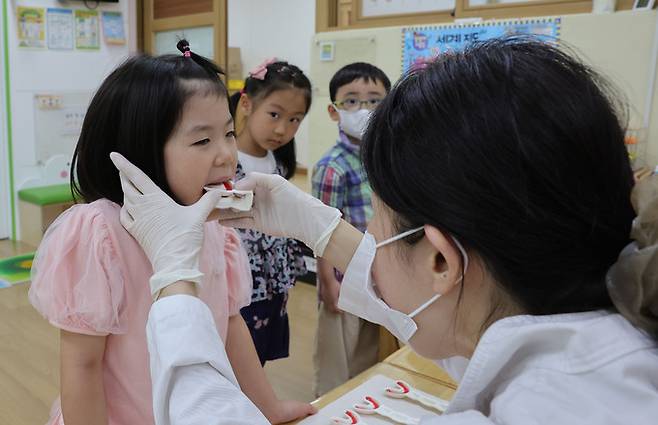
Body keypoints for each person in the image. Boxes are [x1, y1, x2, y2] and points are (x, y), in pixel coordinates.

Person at [113, 38, 658, 424]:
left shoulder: (554, 407)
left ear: (441, 260)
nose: (367, 233)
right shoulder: (599, 341)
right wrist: (318, 226)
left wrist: (176, 283)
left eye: (376, 219)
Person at [29, 41, 313, 425]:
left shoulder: (214, 226)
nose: (227, 155)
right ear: (138, 151)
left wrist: (269, 408)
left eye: (228, 134)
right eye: (202, 140)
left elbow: (230, 327)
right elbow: (82, 366)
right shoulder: (100, 232)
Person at [312, 62, 391, 395]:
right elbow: (320, 231)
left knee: (368, 356)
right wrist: (327, 282)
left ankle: (360, 402)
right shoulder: (332, 167)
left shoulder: (386, 158)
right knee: (337, 360)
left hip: (381, 277)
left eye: (375, 100)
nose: (364, 109)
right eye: (352, 101)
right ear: (334, 111)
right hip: (342, 281)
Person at [228, 58, 312, 365]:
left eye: (294, 120)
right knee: (235, 358)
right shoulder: (223, 157)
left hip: (273, 278)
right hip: (237, 279)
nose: (282, 129)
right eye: (274, 114)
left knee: (258, 355)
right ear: (247, 103)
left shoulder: (279, 162)